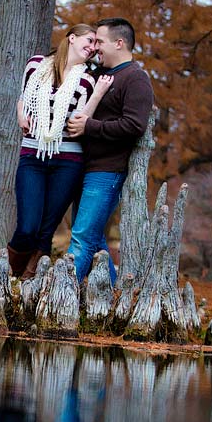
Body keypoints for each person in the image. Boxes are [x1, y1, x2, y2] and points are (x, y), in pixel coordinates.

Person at [7, 24, 113, 280]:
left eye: (96, 44)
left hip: (68, 161)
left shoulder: (87, 80)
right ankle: (11, 274)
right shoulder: (36, 65)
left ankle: (27, 282)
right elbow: (24, 96)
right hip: (33, 155)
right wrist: (21, 114)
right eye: (89, 40)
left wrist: (97, 94)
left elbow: (79, 123)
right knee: (27, 227)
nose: (92, 47)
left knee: (45, 231)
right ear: (71, 37)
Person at [67, 17, 153, 284]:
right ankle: (114, 290)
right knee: (93, 237)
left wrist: (90, 126)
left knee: (82, 236)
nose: (96, 48)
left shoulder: (135, 78)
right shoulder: (100, 75)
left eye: (100, 42)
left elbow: (134, 126)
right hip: (85, 167)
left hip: (107, 171)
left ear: (119, 43)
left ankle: (61, 294)